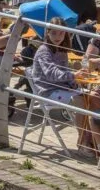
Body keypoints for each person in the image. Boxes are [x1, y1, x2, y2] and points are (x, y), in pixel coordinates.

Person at [31, 17, 89, 154]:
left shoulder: (61, 51)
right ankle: (82, 142)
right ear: (47, 33)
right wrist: (74, 76)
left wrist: (75, 82)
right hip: (47, 91)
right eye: (54, 33)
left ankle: (87, 139)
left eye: (61, 33)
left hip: (59, 88)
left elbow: (64, 72)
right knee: (80, 100)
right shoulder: (43, 50)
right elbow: (52, 74)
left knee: (90, 97)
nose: (58, 37)